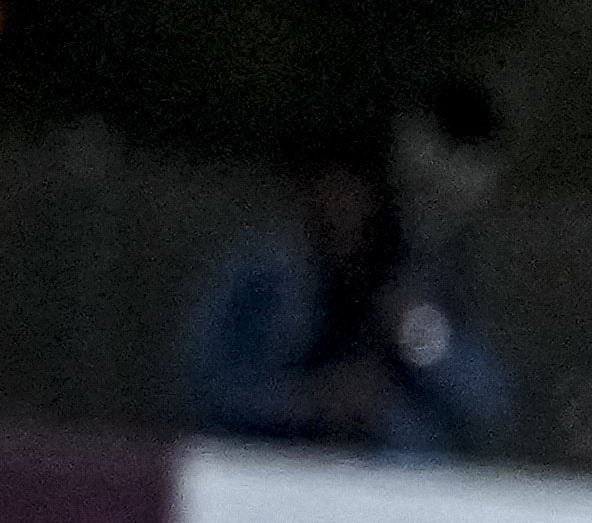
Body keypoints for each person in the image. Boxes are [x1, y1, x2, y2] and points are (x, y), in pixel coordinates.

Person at [179, 107, 514, 459]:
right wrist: (312, 402)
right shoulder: (258, 280)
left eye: (356, 190)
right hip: (273, 471)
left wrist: (417, 334)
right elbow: (207, 389)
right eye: (325, 188)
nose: (340, 205)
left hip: (392, 476)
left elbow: (487, 403)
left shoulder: (413, 280)